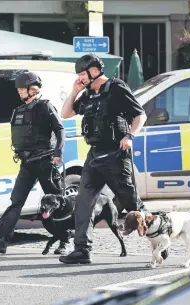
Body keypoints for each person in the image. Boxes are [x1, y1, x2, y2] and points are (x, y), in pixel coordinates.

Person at [58, 53, 149, 265]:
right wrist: (74, 91)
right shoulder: (88, 94)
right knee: (83, 202)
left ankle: (159, 237)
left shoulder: (116, 88)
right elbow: (66, 113)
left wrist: (130, 136)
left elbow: (140, 115)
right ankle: (82, 250)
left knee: (131, 203)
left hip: (116, 153)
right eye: (79, 74)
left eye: (83, 73)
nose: (80, 77)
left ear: (95, 71)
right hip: (95, 155)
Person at [0, 71, 67, 254]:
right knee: (16, 201)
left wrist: (58, 152)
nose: (19, 92)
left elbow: (60, 129)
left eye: (22, 89)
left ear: (33, 89)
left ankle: (65, 241)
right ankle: (1, 240)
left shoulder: (45, 107)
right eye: (19, 89)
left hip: (45, 161)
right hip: (27, 163)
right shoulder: (18, 111)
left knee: (57, 202)